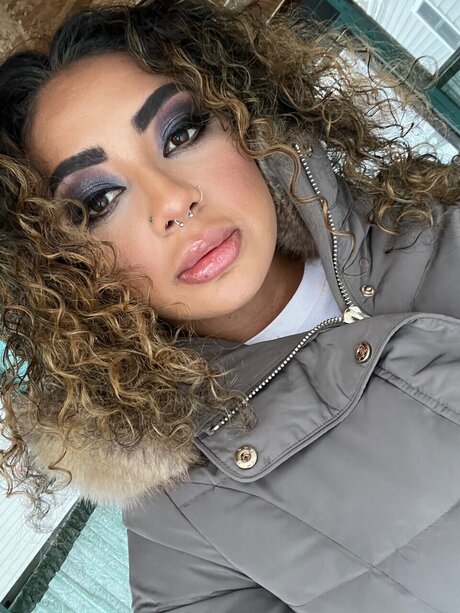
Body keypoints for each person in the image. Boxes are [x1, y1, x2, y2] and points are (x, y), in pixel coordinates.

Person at [0, 0, 459, 610]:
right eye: (100, 200)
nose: (173, 201)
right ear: (63, 268)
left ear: (247, 118)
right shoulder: (182, 523)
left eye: (181, 134)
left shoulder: (443, 230)